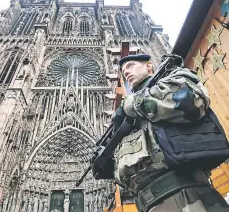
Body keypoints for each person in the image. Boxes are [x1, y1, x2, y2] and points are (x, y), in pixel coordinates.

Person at [93, 54, 229, 212]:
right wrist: (107, 163)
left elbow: (190, 101)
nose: (126, 72)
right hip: (148, 203)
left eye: (130, 65)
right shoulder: (130, 116)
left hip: (183, 192)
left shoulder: (172, 79)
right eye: (123, 71)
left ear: (149, 66)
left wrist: (131, 104)